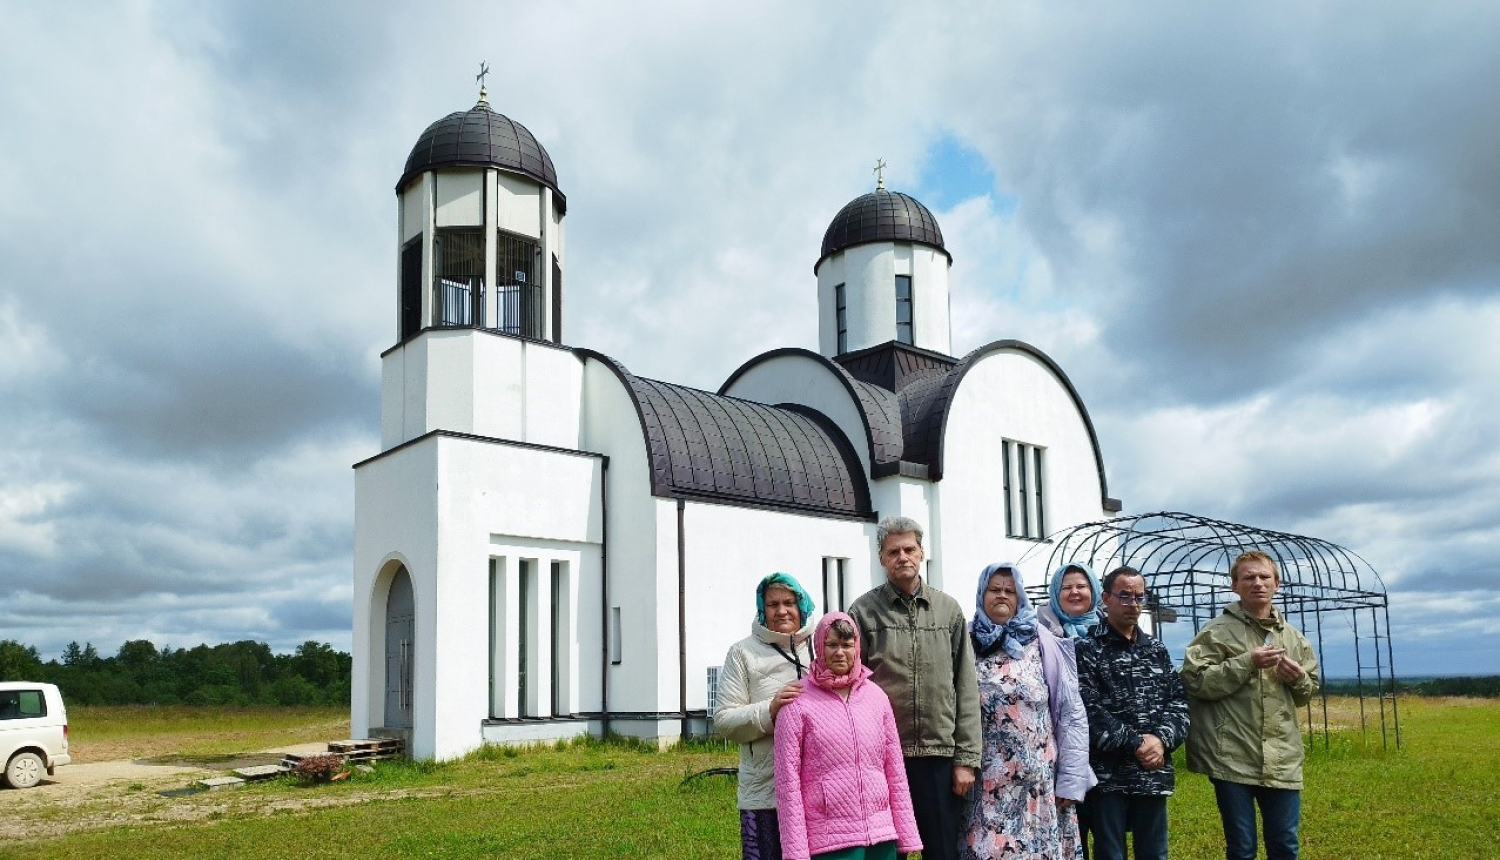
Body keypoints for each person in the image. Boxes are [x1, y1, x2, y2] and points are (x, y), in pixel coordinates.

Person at [849, 517, 981, 860]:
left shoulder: (948, 610)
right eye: (893, 551)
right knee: (887, 852)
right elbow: (851, 687)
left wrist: (965, 759)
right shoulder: (863, 613)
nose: (902, 557)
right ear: (881, 558)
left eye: (910, 549)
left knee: (941, 852)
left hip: (938, 757)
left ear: (922, 553)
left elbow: (965, 686)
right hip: (882, 758)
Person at [1181, 551, 1320, 860]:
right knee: (1242, 848)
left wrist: (1298, 679)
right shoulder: (1215, 632)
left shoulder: (1295, 639)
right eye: (1248, 578)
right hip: (1231, 758)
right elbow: (1195, 682)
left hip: (1282, 757)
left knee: (1285, 845)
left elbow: (1306, 693)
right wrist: (1247, 662)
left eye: (1264, 577)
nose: (1257, 583)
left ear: (1276, 584)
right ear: (1235, 586)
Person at [961, 562, 1093, 860]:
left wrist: (1071, 780)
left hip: (1038, 784)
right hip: (985, 783)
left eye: (1010, 590)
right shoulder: (966, 641)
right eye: (994, 589)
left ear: (1021, 597)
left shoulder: (1043, 640)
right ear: (982, 595)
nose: (1002, 596)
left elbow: (1071, 713)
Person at [774, 612, 923, 860]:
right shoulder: (797, 702)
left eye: (847, 644)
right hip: (830, 841)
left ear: (857, 647)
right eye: (831, 645)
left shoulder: (877, 698)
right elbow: (787, 783)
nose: (839, 652)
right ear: (819, 648)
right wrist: (795, 851)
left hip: (881, 835)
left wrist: (906, 832)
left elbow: (895, 771)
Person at [1075, 566, 1190, 860]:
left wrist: (1161, 741)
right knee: (1110, 854)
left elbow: (1179, 702)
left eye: (1139, 596)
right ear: (1105, 598)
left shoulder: (1156, 650)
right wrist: (1135, 743)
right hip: (1108, 777)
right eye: (1124, 596)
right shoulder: (1087, 649)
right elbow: (1088, 708)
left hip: (1152, 773)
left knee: (1154, 854)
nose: (1133, 604)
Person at [715, 573, 818, 860]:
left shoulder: (821, 647)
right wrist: (769, 710)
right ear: (762, 608)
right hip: (764, 788)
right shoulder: (742, 653)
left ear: (802, 607)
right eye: (773, 604)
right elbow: (723, 720)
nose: (782, 610)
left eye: (789, 602)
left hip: (816, 788)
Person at [1040, 563, 1103, 640]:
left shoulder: (1113, 628)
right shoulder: (1040, 635)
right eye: (1066, 588)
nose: (1074, 592)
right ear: (1056, 595)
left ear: (1093, 591)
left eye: (1081, 586)